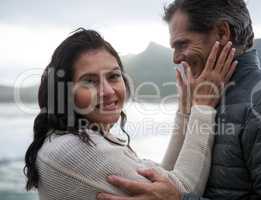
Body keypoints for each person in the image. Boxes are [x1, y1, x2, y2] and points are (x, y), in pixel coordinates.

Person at [96, 0, 261, 200]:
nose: (175, 58)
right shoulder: (205, 98)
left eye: (182, 44)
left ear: (222, 33)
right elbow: (175, 178)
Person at [23, 28, 237, 199]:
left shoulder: (73, 137)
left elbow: (162, 183)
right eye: (89, 81)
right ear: (65, 91)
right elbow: (184, 189)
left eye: (114, 76)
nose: (108, 91)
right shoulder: (78, 149)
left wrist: (185, 109)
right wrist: (204, 106)